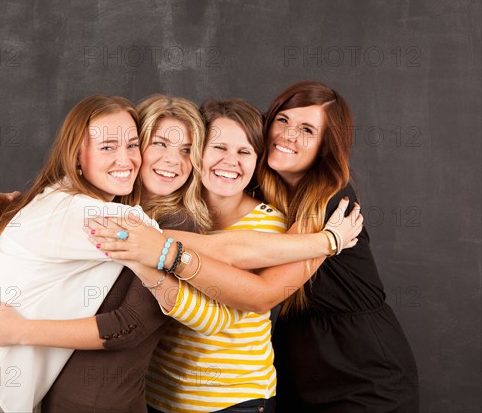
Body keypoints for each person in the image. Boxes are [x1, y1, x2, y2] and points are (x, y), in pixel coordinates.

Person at [0, 97, 363, 413]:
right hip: (152, 393)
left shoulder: (192, 224)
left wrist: (324, 242)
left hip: (224, 401)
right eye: (217, 147)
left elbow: (229, 294)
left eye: (244, 152)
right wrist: (23, 210)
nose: (173, 158)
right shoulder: (119, 204)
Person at [94, 81, 417, 412]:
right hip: (297, 361)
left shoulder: (329, 202)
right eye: (282, 120)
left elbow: (258, 289)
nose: (288, 135)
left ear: (326, 144)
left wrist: (158, 246)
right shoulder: (250, 189)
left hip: (360, 362)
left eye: (307, 129)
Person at [0, 95, 159, 413]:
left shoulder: (62, 202)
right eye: (107, 146)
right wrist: (241, 245)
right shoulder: (75, 211)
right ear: (77, 155)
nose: (126, 159)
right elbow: (159, 242)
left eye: (133, 145)